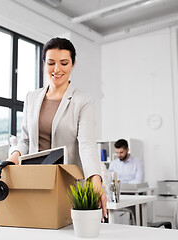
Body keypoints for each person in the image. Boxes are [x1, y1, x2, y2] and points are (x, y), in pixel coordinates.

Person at [6, 37, 107, 219]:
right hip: (35, 182)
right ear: (44, 63)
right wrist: (13, 158)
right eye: (51, 63)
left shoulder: (82, 100)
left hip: (67, 184)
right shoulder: (31, 97)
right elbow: (26, 140)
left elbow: (86, 143)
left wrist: (95, 179)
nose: (57, 69)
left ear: (73, 64)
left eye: (64, 63)